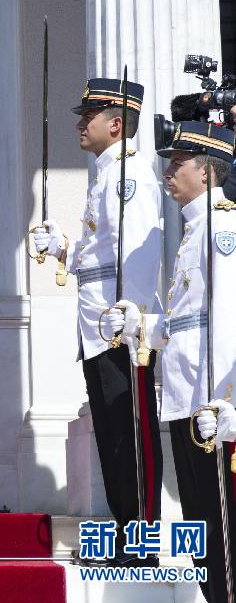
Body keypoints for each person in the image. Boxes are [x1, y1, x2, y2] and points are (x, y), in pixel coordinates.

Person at [33, 78, 163, 565]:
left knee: (131, 435)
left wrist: (135, 314)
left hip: (118, 328)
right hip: (97, 325)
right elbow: (101, 251)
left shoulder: (129, 175)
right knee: (112, 436)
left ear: (115, 124)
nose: (80, 124)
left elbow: (141, 251)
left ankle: (143, 541)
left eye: (89, 116)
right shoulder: (107, 173)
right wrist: (63, 248)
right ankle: (127, 534)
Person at [111, 121, 236, 601]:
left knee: (222, 531)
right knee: (201, 527)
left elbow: (226, 318)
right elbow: (188, 321)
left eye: (178, 163)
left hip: (210, 405)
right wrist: (142, 324)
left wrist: (226, 403)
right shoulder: (194, 228)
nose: (168, 172)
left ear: (205, 172)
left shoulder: (221, 228)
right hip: (187, 398)